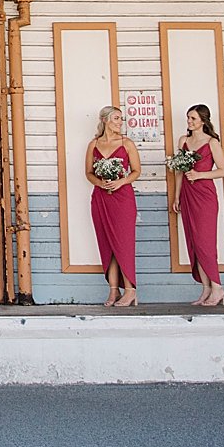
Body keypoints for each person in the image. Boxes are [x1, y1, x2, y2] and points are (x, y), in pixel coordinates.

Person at [170, 102, 224, 307]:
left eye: (193, 118)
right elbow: (178, 171)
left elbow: (223, 170)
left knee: (205, 242)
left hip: (205, 195)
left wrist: (200, 174)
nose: (189, 122)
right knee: (193, 242)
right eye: (188, 118)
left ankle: (218, 287)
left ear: (203, 120)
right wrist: (177, 196)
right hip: (187, 194)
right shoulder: (183, 140)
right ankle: (206, 288)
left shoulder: (212, 142)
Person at [84, 105, 140, 307]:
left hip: (122, 198)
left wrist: (120, 182)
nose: (119, 122)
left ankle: (130, 290)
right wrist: (100, 183)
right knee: (107, 243)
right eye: (116, 118)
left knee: (123, 244)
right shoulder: (94, 144)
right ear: (105, 120)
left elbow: (136, 171)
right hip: (101, 198)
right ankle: (113, 290)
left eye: (121, 119)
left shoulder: (127, 143)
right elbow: (89, 172)